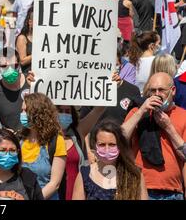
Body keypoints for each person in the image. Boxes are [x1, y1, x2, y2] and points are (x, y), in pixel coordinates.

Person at [122, 72, 186, 200]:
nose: (157, 94)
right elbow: (119, 139)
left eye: (161, 90)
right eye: (152, 90)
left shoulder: (183, 115)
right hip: (141, 189)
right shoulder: (137, 112)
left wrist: (168, 127)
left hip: (172, 192)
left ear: (172, 91)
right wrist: (141, 111)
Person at [72, 120, 148, 200]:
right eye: (102, 144)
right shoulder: (85, 174)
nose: (107, 149)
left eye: (112, 144)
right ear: (95, 146)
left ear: (120, 145)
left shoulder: (134, 174)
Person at [19, 93, 66, 199]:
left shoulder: (56, 141)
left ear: (38, 113)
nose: (22, 114)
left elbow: (55, 184)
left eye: (26, 111)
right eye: (21, 110)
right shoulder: (18, 139)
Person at [0, 48, 29, 134]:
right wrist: (3, 133)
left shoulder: (31, 82)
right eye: (4, 66)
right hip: (12, 143)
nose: (10, 70)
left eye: (14, 66)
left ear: (19, 65)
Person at [16, 7, 33, 75]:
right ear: (30, 22)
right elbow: (22, 61)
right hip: (28, 76)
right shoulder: (22, 38)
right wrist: (39, 54)